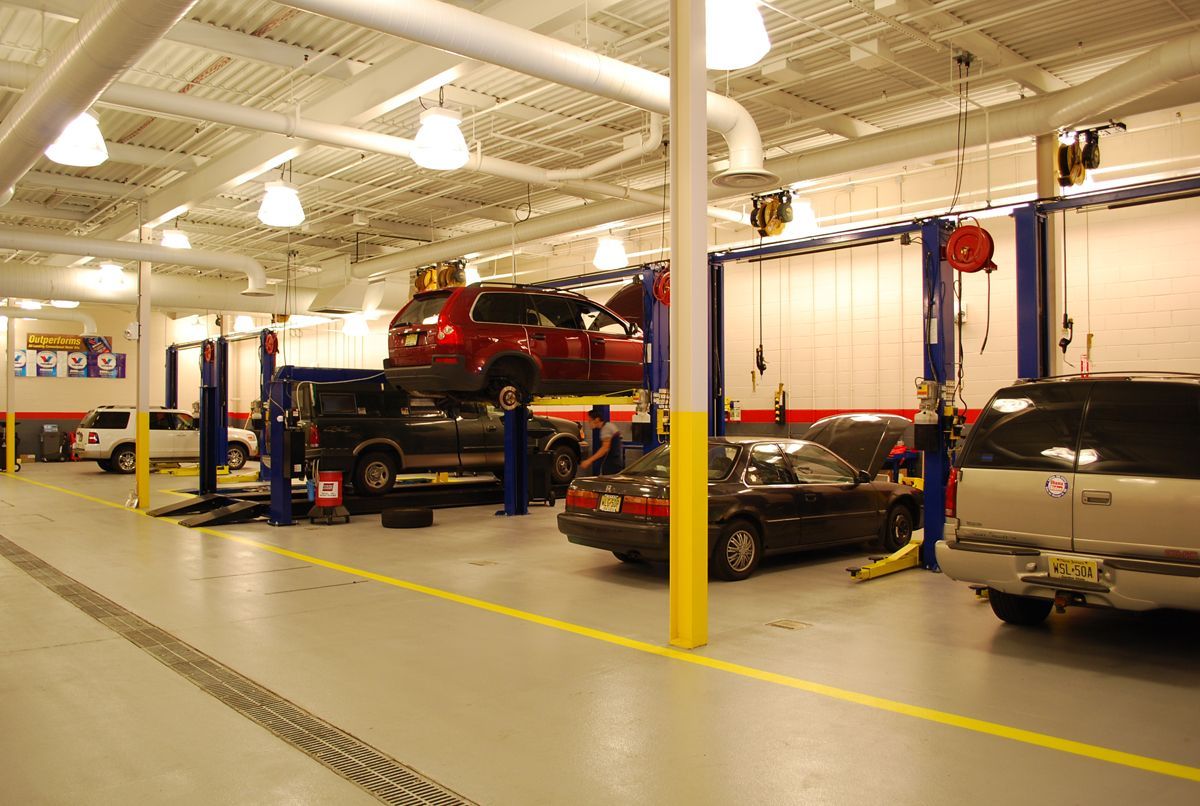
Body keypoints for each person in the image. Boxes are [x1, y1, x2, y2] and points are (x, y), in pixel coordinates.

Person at [578, 407, 623, 476]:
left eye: (590, 421)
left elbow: (604, 449)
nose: (588, 423)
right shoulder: (609, 426)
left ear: (597, 420)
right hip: (614, 462)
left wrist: (589, 461)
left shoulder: (606, 429)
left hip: (612, 465)